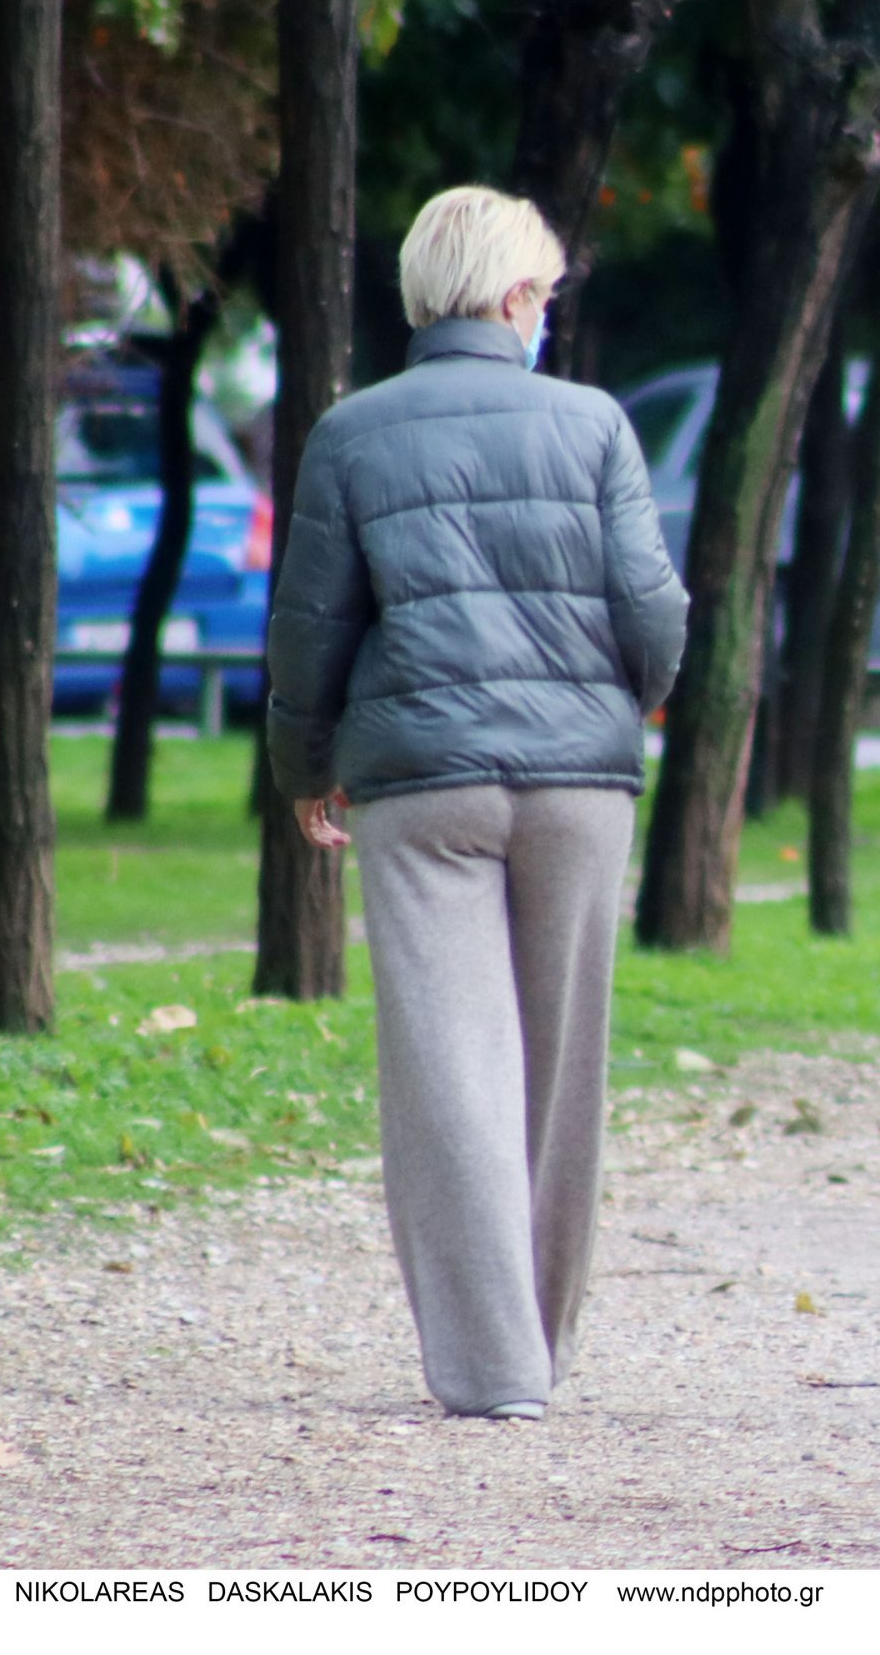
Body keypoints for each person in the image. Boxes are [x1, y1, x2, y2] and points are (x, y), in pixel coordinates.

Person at [265, 185, 688, 1420]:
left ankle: (490, 1369)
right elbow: (653, 608)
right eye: (544, 296)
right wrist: (630, 702)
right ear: (513, 298)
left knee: (449, 1066)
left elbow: (310, 632)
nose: (547, 315)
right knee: (560, 1074)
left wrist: (307, 767)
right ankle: (543, 1346)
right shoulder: (593, 423)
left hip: (420, 786)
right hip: (578, 787)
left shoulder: (351, 432)